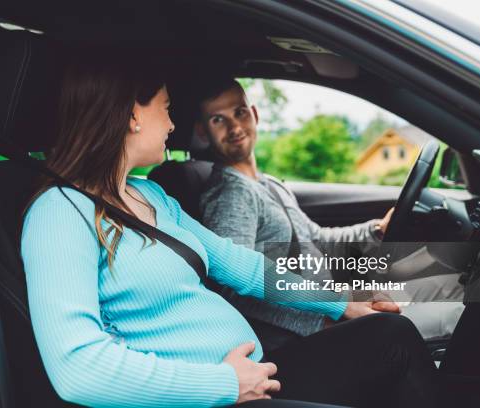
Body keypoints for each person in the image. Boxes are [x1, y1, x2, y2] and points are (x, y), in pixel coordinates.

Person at [20, 55, 437, 408]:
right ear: (132, 115)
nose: (171, 124)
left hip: (255, 376)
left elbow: (242, 266)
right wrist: (223, 383)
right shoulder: (58, 213)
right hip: (214, 395)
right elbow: (77, 369)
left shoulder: (147, 195)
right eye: (166, 108)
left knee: (390, 333)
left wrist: (340, 304)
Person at [196, 77, 464, 343]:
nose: (234, 127)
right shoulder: (229, 196)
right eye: (217, 120)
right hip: (318, 325)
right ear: (201, 131)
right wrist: (324, 318)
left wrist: (376, 230)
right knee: (463, 315)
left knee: (457, 286)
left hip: (336, 301)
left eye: (239, 113)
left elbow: (316, 238)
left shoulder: (268, 184)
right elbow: (234, 289)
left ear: (254, 114)